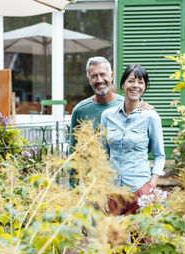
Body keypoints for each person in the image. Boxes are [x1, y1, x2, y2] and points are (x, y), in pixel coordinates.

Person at [69, 57, 154, 188]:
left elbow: (146, 146)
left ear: (112, 75)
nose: (99, 80)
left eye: (103, 74)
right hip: (90, 185)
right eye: (94, 76)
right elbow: (73, 152)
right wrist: (72, 188)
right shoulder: (80, 110)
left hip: (121, 185)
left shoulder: (128, 105)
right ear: (89, 79)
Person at [100, 64, 165, 216]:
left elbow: (159, 155)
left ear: (144, 87)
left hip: (140, 189)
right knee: (113, 238)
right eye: (131, 81)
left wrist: (151, 187)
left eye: (140, 82)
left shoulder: (151, 116)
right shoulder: (107, 116)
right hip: (112, 190)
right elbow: (102, 155)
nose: (135, 85)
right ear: (122, 85)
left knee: (141, 239)